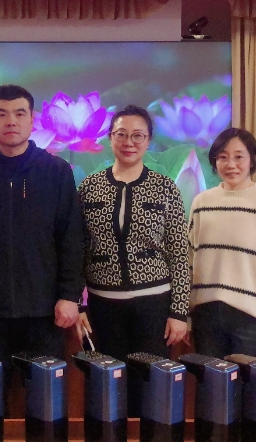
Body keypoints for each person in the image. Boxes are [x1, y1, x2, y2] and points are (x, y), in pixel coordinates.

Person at [0, 84, 84, 385]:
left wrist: (69, 295)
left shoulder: (57, 171)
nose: (11, 121)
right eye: (2, 114)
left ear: (33, 120)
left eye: (20, 113)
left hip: (45, 312)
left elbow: (71, 238)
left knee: (46, 399)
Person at [75, 105, 190, 416]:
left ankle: (149, 440)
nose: (129, 142)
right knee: (108, 387)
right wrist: (79, 304)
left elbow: (180, 253)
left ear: (148, 140)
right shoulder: (89, 187)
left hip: (153, 305)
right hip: (103, 306)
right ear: (110, 138)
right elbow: (78, 250)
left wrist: (179, 312)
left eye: (138, 135)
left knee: (151, 386)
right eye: (121, 134)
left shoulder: (165, 187)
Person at [187, 127, 256, 360]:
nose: (231, 164)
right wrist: (185, 315)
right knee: (211, 382)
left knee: (249, 383)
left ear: (252, 160)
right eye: (223, 157)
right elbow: (189, 261)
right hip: (206, 316)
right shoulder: (201, 203)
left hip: (251, 320)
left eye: (239, 157)